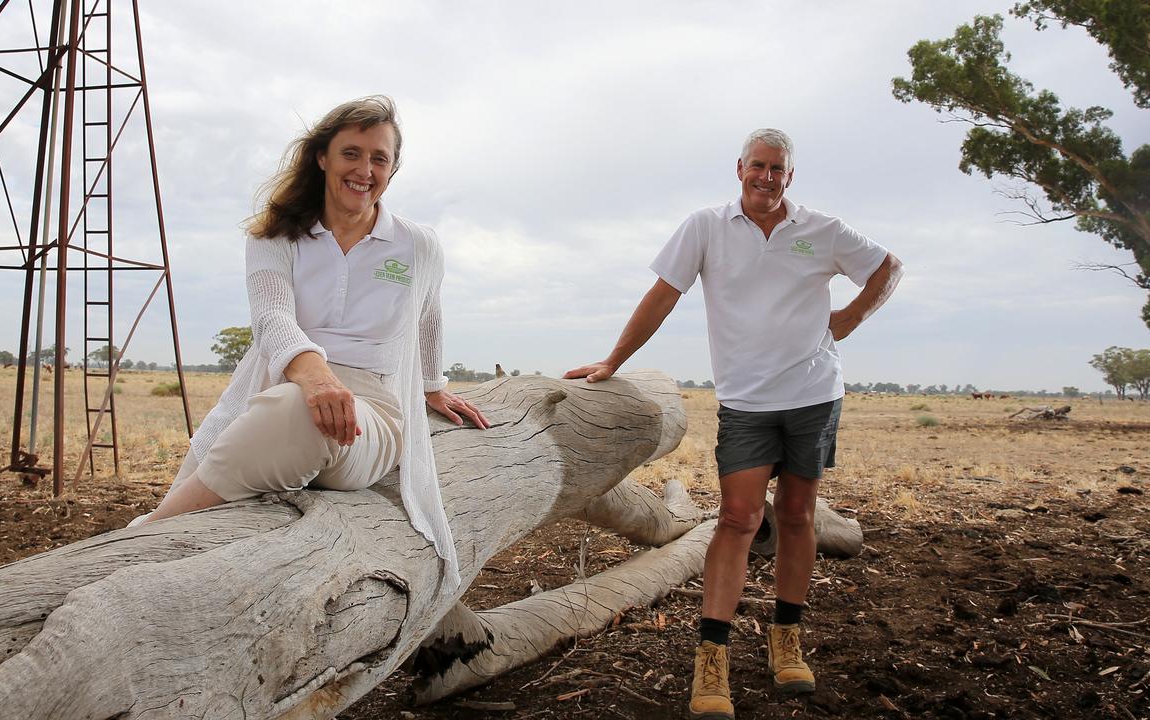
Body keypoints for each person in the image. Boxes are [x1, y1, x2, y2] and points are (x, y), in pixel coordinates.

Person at [566, 128, 902, 720]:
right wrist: (613, 361)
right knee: (739, 517)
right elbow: (663, 294)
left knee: (797, 514)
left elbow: (888, 267)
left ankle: (786, 640)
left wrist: (847, 318)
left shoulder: (822, 230)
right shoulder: (706, 227)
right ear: (740, 168)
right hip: (746, 402)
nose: (767, 177)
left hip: (813, 396)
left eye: (778, 169)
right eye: (758, 166)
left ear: (790, 177)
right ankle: (712, 656)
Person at [136, 96, 487, 594]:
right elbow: (272, 317)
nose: (364, 169)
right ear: (322, 157)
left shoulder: (417, 244)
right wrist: (316, 377)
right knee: (285, 407)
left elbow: (426, 317)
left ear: (392, 168)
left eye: (379, 158)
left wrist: (431, 389)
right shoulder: (276, 233)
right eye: (351, 153)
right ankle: (154, 564)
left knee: (292, 414)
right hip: (283, 383)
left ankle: (148, 536)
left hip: (372, 413)